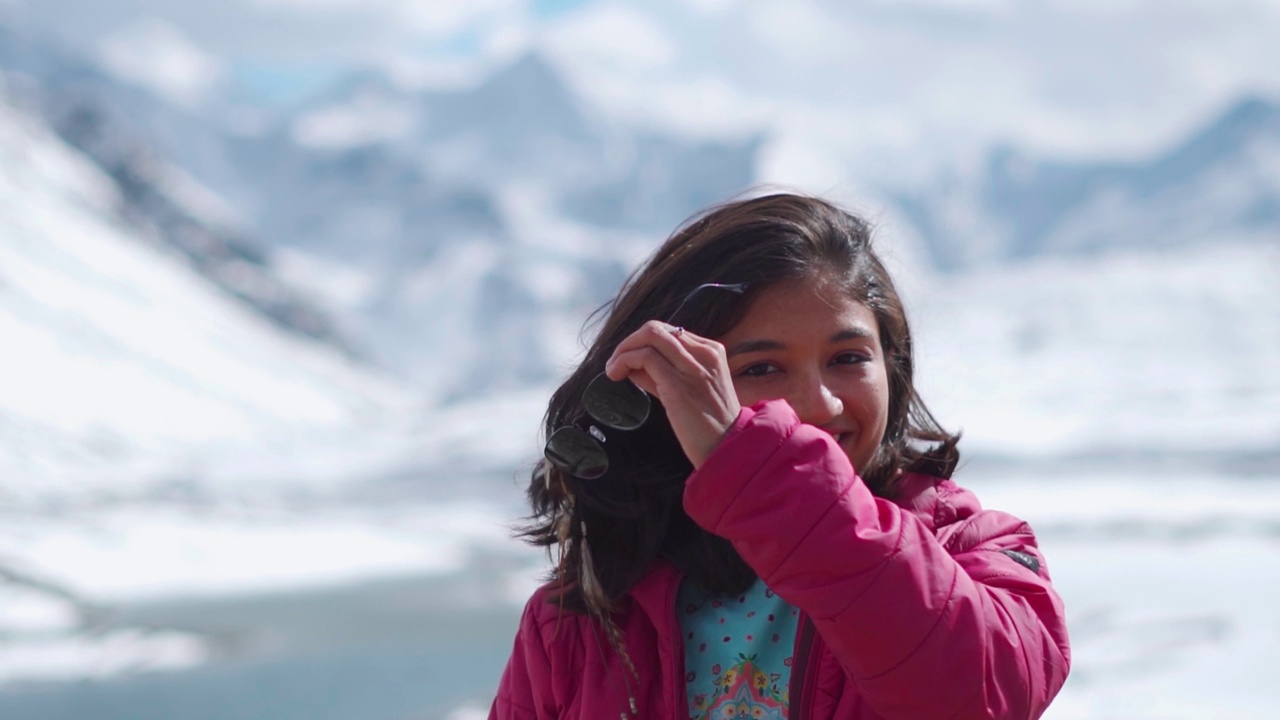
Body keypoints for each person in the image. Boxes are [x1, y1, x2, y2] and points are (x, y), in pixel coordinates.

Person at [489, 193, 1070, 720]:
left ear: (891, 366)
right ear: (665, 395)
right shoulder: (579, 620)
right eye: (760, 369)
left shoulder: (975, 552)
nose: (818, 403)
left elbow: (976, 698)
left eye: (848, 357)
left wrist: (752, 466)